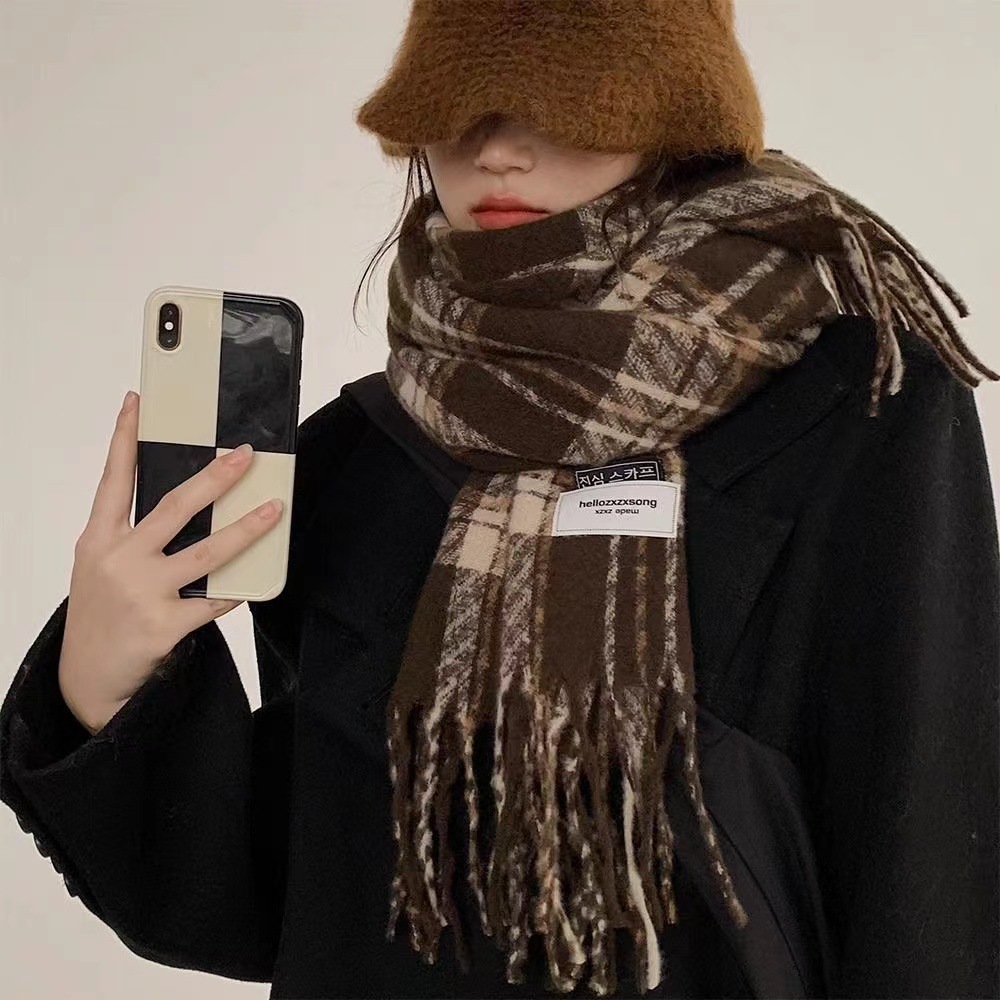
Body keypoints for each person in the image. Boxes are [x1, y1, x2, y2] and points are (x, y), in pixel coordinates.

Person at [2, 2, 998, 998]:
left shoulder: (860, 410)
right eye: (453, 106)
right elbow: (292, 899)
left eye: (564, 102)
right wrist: (106, 684)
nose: (496, 149)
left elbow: (928, 869)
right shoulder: (357, 457)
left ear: (677, 112)